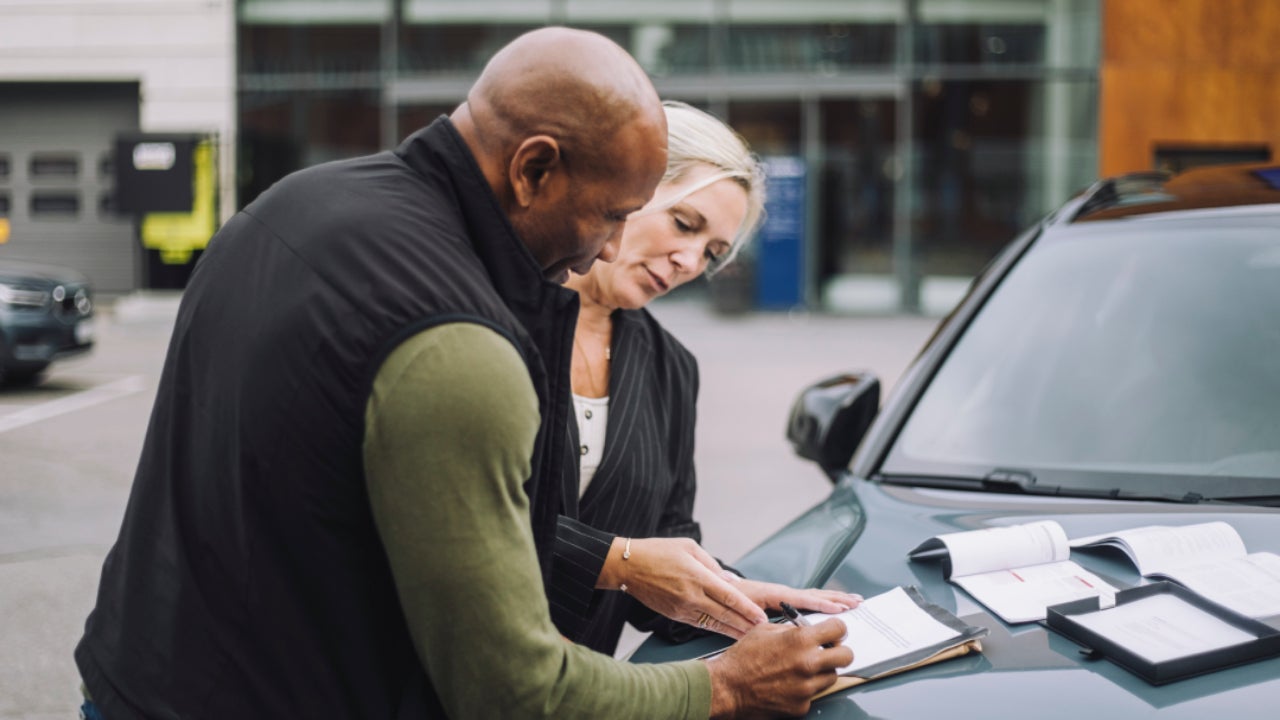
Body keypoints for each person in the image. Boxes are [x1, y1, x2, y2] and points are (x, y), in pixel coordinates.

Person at [74, 27, 851, 720]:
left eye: (712, 254)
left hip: (139, 681)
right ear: (534, 168)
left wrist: (726, 604)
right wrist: (726, 687)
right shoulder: (462, 341)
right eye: (620, 214)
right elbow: (514, 691)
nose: (617, 247)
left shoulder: (291, 206)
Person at [549, 101, 862, 655]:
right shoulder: (490, 321)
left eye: (712, 252)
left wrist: (749, 606)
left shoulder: (670, 367)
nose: (691, 262)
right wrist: (623, 564)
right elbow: (457, 525)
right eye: (684, 224)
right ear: (628, 190)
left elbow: (668, 547)